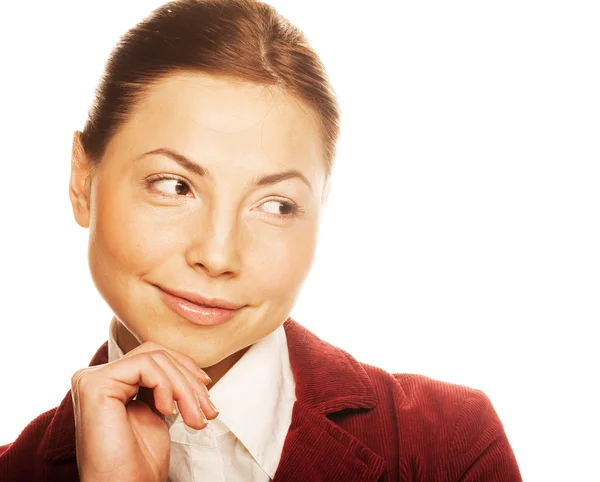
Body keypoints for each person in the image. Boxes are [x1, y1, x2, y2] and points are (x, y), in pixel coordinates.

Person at [0, 0, 522, 480]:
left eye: (277, 205)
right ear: (82, 181)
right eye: (174, 186)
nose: (218, 255)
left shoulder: (446, 447)